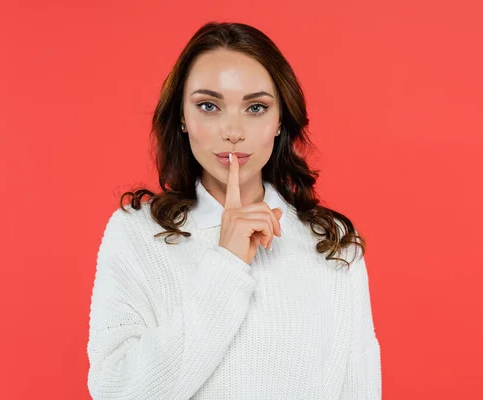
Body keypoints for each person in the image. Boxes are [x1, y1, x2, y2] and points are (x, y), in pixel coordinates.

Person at [86, 21, 381, 399]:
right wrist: (226, 265)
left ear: (279, 122)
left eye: (255, 107)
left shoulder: (331, 245)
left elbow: (358, 389)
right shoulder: (138, 234)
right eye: (209, 106)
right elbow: (116, 391)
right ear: (182, 118)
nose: (233, 130)